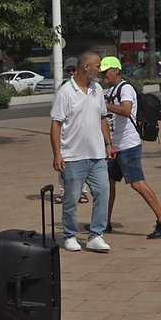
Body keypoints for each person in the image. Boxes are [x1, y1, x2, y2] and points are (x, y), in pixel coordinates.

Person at [100, 57, 161, 239]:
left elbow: (125, 110)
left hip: (128, 145)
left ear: (116, 70)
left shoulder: (125, 88)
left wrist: (103, 105)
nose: (103, 75)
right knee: (108, 183)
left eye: (105, 71)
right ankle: (104, 222)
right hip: (116, 147)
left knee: (137, 183)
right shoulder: (111, 90)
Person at [49, 51, 111, 251]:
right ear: (86, 67)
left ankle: (96, 235)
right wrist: (57, 153)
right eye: (97, 66)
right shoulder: (66, 92)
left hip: (97, 155)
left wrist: (108, 144)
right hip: (73, 156)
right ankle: (69, 235)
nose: (99, 70)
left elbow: (103, 117)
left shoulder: (97, 89)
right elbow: (56, 124)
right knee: (72, 199)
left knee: (103, 192)